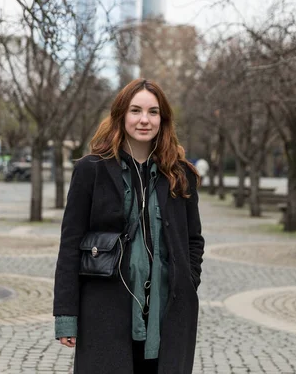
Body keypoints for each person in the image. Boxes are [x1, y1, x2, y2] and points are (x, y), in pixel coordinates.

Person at [54, 79, 205, 374]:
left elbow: (193, 240)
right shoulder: (91, 170)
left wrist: (187, 282)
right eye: (136, 110)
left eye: (153, 112)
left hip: (168, 314)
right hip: (104, 311)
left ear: (163, 120)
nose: (144, 120)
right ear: (122, 114)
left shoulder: (181, 174)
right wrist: (66, 317)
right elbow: (70, 246)